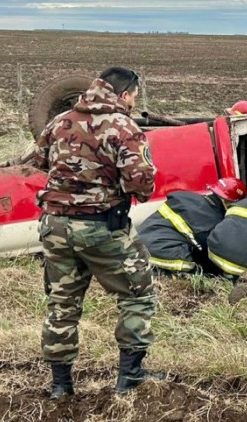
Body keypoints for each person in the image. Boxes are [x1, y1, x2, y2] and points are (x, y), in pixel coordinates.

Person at [33, 67, 162, 398]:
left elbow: (41, 161)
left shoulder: (58, 122)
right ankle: (129, 377)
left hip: (55, 226)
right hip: (102, 226)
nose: (134, 102)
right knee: (138, 293)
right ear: (123, 95)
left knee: (62, 302)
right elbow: (142, 185)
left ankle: (61, 386)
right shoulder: (124, 127)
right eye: (133, 95)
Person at [137, 178, 247, 275]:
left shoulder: (190, 198)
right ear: (228, 202)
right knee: (196, 270)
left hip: (137, 244)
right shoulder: (211, 224)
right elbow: (210, 258)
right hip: (156, 251)